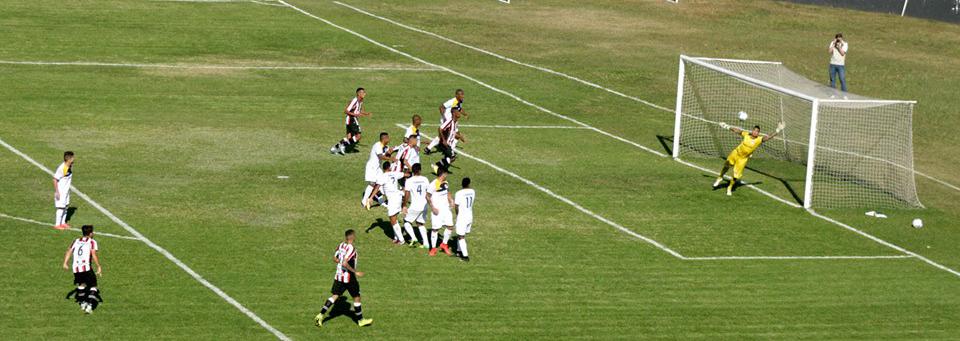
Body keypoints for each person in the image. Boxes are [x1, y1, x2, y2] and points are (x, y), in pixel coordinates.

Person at [315, 229, 373, 327]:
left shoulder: (341, 245)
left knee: (334, 296)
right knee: (357, 297)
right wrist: (355, 272)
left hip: (339, 276)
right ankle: (361, 320)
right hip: (349, 277)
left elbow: (335, 259)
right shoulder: (351, 248)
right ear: (352, 237)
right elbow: (345, 263)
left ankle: (320, 315)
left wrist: (340, 262)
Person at [713, 122, 785, 196]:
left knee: (736, 175)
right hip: (735, 153)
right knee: (726, 165)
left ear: (758, 133)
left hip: (742, 159)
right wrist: (727, 126)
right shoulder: (746, 134)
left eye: (757, 131)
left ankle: (729, 187)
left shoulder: (759, 140)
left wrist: (778, 130)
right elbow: (737, 131)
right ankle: (720, 177)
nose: (755, 132)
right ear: (752, 131)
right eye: (755, 130)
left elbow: (769, 137)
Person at [62, 225, 102, 314]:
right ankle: (89, 306)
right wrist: (98, 266)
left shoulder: (76, 241)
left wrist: (65, 262)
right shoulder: (92, 242)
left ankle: (82, 303)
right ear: (90, 233)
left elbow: (69, 251)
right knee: (93, 286)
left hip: (76, 268)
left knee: (82, 285)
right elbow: (93, 254)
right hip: (86, 267)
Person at [366, 161, 407, 245]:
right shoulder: (394, 173)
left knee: (392, 219)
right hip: (398, 197)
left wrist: (371, 197)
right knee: (394, 218)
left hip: (393, 199)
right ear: (389, 167)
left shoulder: (382, 176)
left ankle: (401, 240)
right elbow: (406, 174)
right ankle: (396, 237)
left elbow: (377, 187)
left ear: (383, 168)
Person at [330, 88, 372, 155]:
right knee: (358, 136)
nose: (364, 94)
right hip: (352, 119)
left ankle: (334, 149)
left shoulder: (360, 100)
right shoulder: (354, 101)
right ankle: (343, 145)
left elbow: (359, 110)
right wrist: (356, 115)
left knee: (349, 138)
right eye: (363, 92)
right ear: (358, 93)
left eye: (364, 92)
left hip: (350, 120)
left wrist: (366, 114)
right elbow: (346, 111)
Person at [425, 89, 468, 154]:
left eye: (463, 94)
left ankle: (429, 148)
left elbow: (459, 108)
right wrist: (444, 118)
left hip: (453, 120)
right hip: (448, 121)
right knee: (452, 135)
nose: (463, 96)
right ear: (456, 95)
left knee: (452, 135)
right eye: (461, 94)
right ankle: (450, 151)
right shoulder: (452, 101)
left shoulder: (460, 101)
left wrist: (465, 114)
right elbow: (441, 107)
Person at [426, 167, 455, 256]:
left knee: (450, 227)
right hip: (437, 210)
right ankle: (433, 248)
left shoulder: (445, 182)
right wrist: (433, 208)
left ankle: (444, 244)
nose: (447, 175)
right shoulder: (434, 184)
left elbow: (448, 192)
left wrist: (451, 200)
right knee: (435, 229)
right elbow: (427, 196)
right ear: (443, 174)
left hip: (446, 209)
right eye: (446, 173)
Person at [361, 133, 394, 208]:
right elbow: (381, 156)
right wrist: (391, 158)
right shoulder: (377, 145)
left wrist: (389, 152)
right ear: (384, 139)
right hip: (372, 167)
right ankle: (364, 201)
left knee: (382, 181)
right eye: (388, 138)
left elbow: (385, 155)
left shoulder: (386, 147)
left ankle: (381, 201)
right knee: (372, 184)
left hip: (378, 168)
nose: (389, 139)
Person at [402, 163, 431, 248]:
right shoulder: (425, 179)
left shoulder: (409, 180)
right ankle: (426, 243)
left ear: (412, 171)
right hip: (424, 205)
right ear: (420, 170)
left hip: (415, 206)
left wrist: (404, 205)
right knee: (420, 223)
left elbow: (407, 194)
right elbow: (429, 192)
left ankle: (413, 238)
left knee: (406, 222)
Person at [432, 108, 465, 175]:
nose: (459, 113)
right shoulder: (450, 121)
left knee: (450, 158)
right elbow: (440, 129)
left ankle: (442, 168)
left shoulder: (455, 122)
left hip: (449, 144)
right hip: (445, 143)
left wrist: (459, 136)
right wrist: (444, 140)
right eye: (458, 112)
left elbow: (452, 132)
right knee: (451, 156)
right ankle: (439, 166)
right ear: (454, 113)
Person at [453, 177, 476, 262]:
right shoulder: (472, 191)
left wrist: (457, 214)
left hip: (462, 217)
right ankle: (458, 251)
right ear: (469, 183)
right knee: (461, 235)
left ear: (462, 184)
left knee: (461, 236)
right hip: (470, 215)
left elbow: (456, 206)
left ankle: (465, 256)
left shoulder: (459, 193)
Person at [53, 151, 75, 230]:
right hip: (61, 192)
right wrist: (57, 192)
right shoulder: (62, 168)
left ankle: (63, 223)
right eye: (72, 158)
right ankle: (57, 224)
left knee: (65, 207)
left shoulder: (69, 166)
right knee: (61, 208)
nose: (74, 159)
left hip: (66, 191)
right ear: (69, 159)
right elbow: (55, 179)